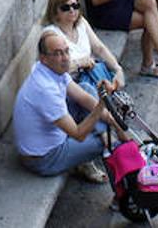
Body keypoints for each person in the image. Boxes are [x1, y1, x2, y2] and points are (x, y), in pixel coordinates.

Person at [12, 29, 115, 182]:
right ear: (44, 58)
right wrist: (102, 104)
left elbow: (83, 97)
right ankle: (103, 145)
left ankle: (103, 136)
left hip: (52, 137)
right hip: (44, 159)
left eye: (67, 51)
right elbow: (78, 134)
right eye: (58, 53)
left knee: (86, 88)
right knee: (108, 143)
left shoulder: (50, 68)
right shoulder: (45, 90)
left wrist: (115, 123)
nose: (66, 58)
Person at [41, 0, 125, 114]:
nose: (72, 10)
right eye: (65, 7)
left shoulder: (80, 22)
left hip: (89, 77)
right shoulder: (51, 34)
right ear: (55, 11)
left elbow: (99, 48)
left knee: (106, 76)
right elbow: (54, 70)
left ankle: (111, 114)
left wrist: (118, 68)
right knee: (90, 89)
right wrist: (80, 63)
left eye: (75, 6)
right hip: (69, 87)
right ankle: (107, 121)